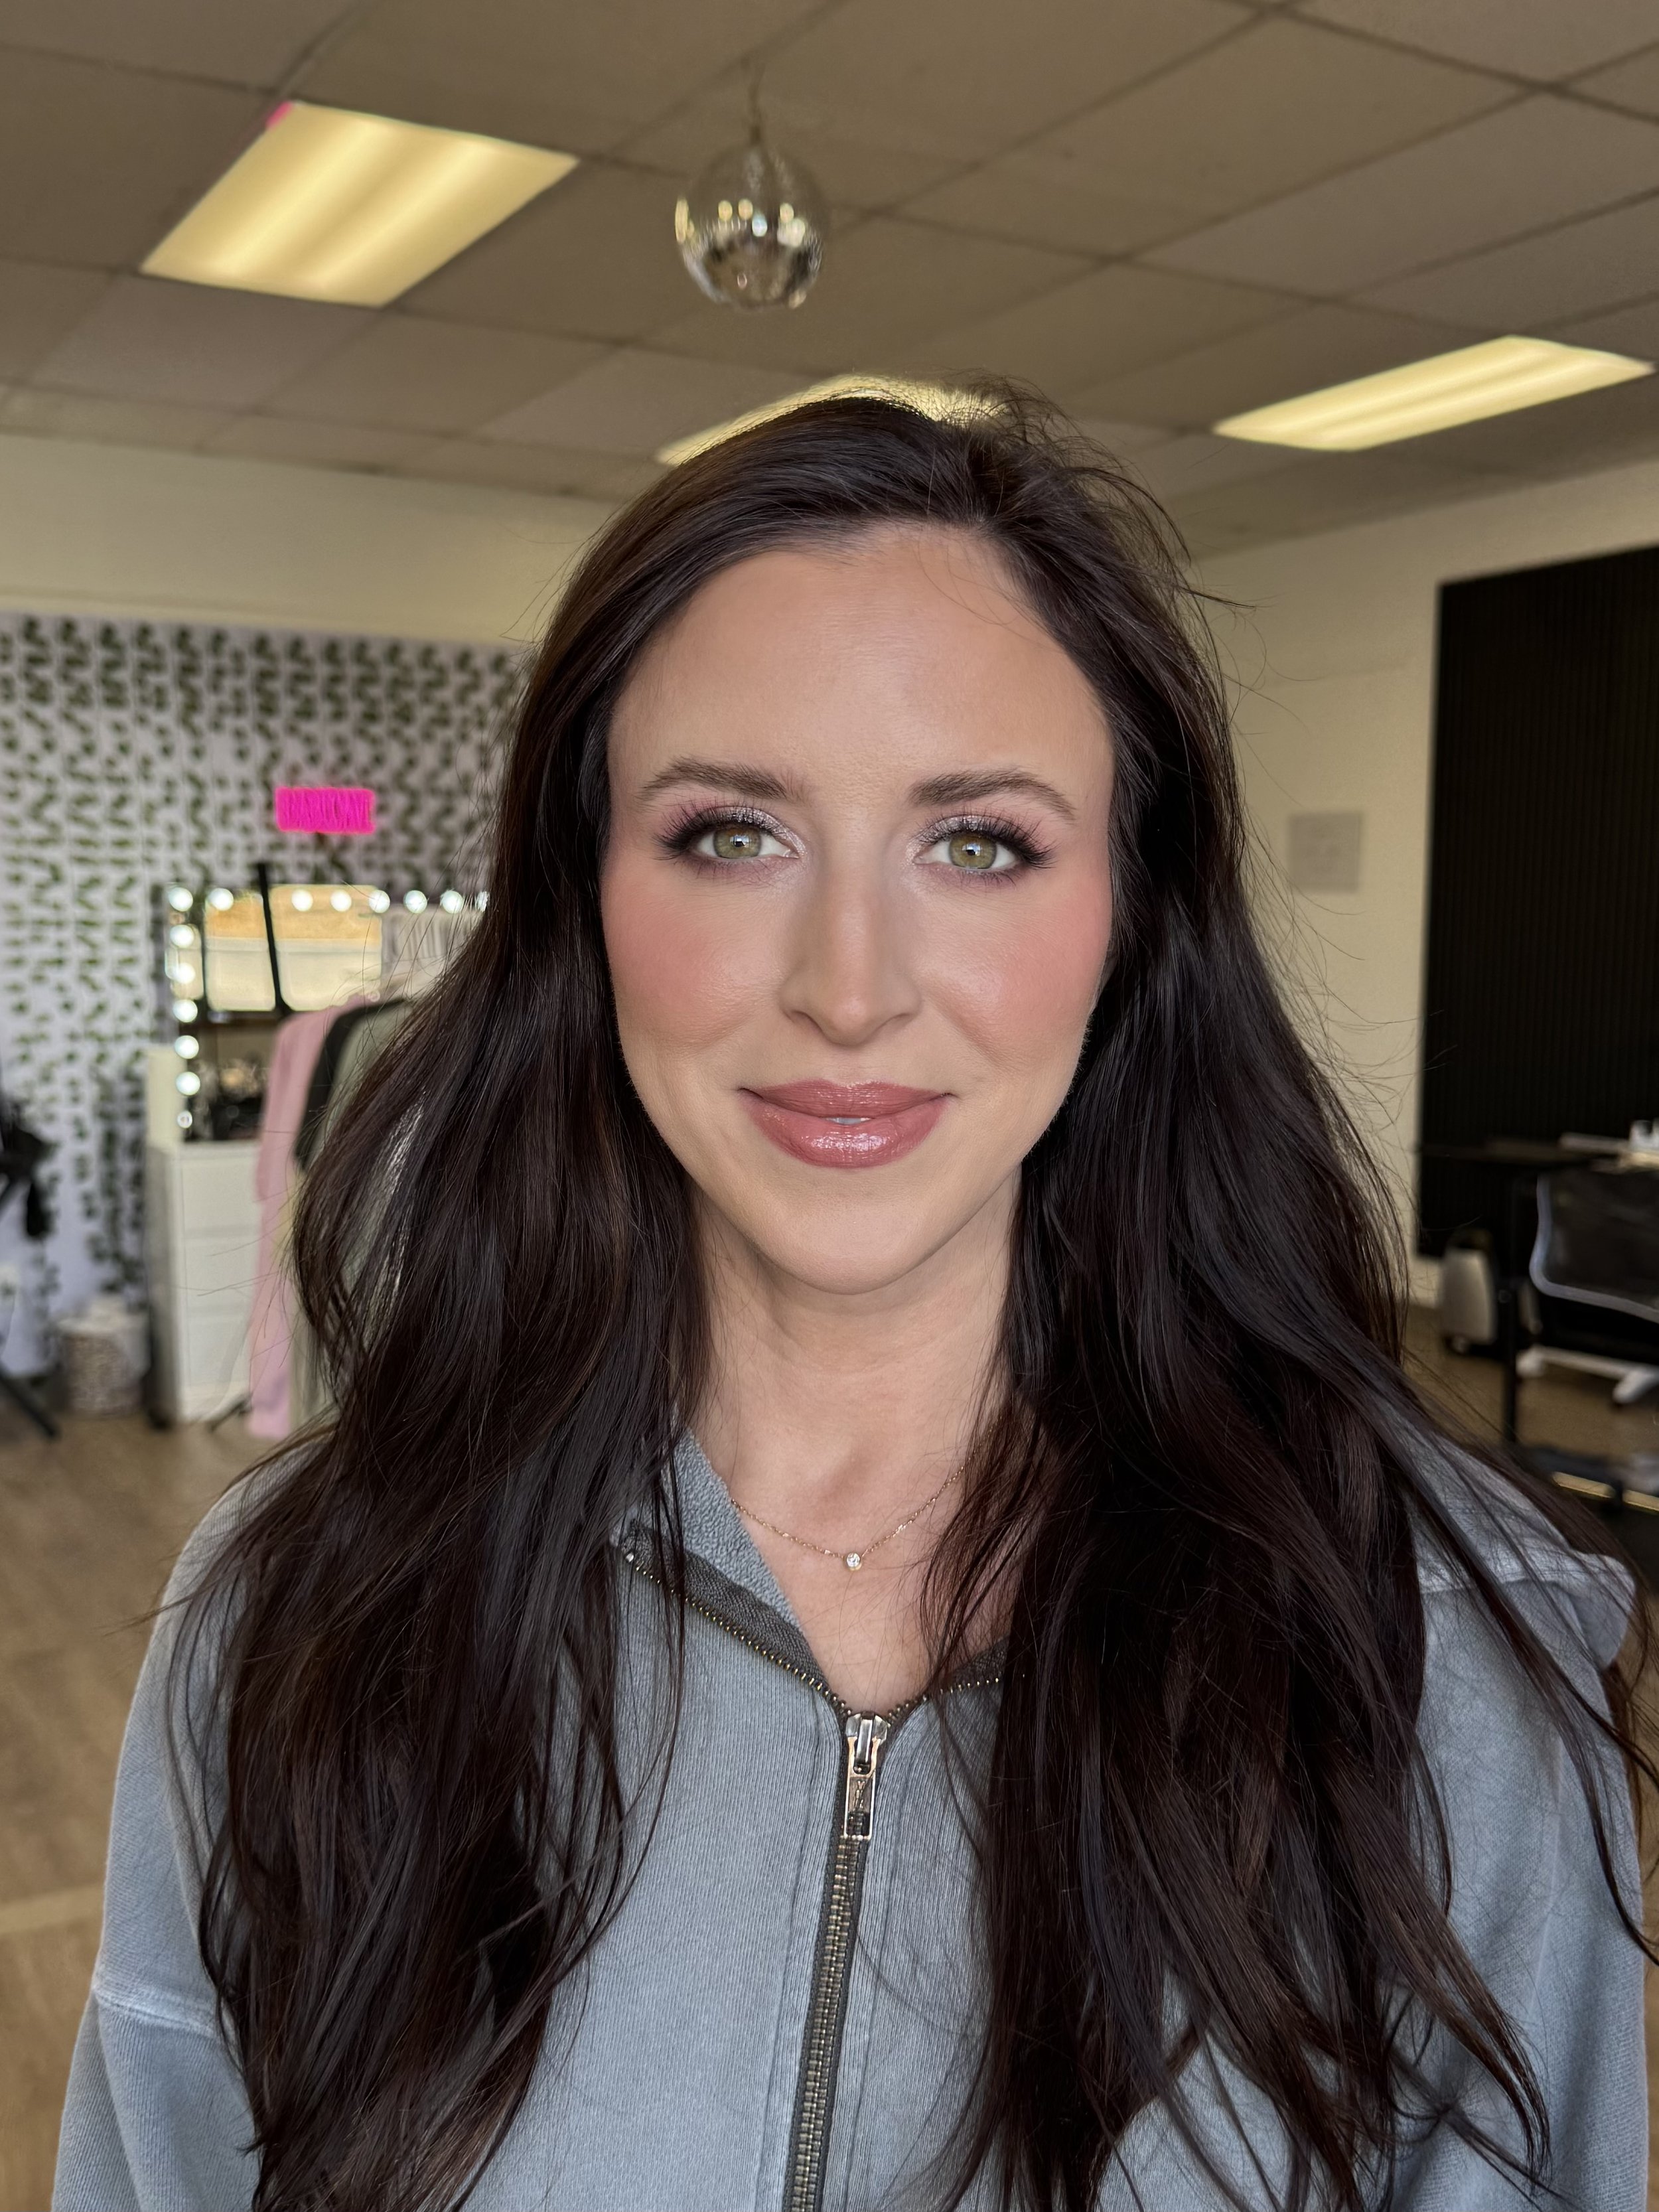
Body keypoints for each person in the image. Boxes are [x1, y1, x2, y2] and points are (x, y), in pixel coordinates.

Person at [56, 392, 1650, 2212]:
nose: (847, 986)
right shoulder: (300, 1611)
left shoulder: (1435, 1643)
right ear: (582, 902)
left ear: (1133, 915)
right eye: (732, 832)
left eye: (977, 842)